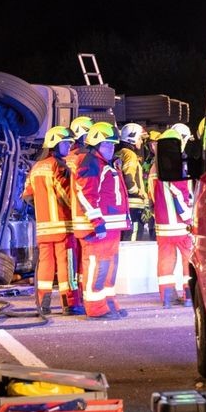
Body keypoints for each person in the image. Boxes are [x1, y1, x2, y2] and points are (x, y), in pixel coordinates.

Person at [75, 122, 130, 320]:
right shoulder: (91, 163)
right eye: (107, 145)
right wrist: (97, 221)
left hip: (111, 226)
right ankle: (95, 308)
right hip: (99, 227)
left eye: (113, 145)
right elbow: (85, 194)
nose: (111, 149)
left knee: (109, 266)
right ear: (96, 144)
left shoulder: (105, 164)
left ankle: (108, 302)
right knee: (97, 266)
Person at [23, 126, 76, 315]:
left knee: (45, 264)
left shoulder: (36, 167)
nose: (69, 146)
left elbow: (27, 195)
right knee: (66, 264)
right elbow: (65, 195)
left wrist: (42, 210)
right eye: (66, 143)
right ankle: (68, 304)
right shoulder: (60, 166)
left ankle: (42, 303)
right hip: (63, 225)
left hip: (44, 227)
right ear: (55, 144)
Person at [153, 124, 196, 308]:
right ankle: (189, 296)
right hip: (179, 225)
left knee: (165, 260)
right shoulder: (176, 163)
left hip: (162, 225)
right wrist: (189, 218)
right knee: (189, 258)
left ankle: (167, 297)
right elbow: (179, 193)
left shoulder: (155, 165)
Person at [62, 116, 96, 315]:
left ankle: (77, 300)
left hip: (71, 216)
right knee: (80, 262)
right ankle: (77, 300)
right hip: (82, 217)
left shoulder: (68, 158)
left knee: (76, 262)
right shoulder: (84, 158)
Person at [119, 123, 152, 241]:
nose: (141, 142)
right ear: (132, 138)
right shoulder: (130, 155)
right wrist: (140, 194)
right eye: (139, 138)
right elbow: (128, 178)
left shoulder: (120, 153)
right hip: (134, 206)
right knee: (132, 241)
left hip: (125, 205)